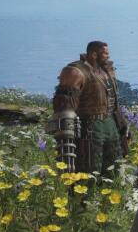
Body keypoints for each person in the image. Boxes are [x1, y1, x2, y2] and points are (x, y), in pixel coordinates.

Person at [49, 41, 131, 177]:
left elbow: (113, 102)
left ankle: (112, 188)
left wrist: (121, 123)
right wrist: (66, 138)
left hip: (110, 124)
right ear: (94, 54)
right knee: (89, 169)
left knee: (114, 167)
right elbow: (64, 105)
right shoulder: (76, 72)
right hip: (90, 126)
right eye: (105, 53)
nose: (108, 56)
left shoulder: (107, 70)